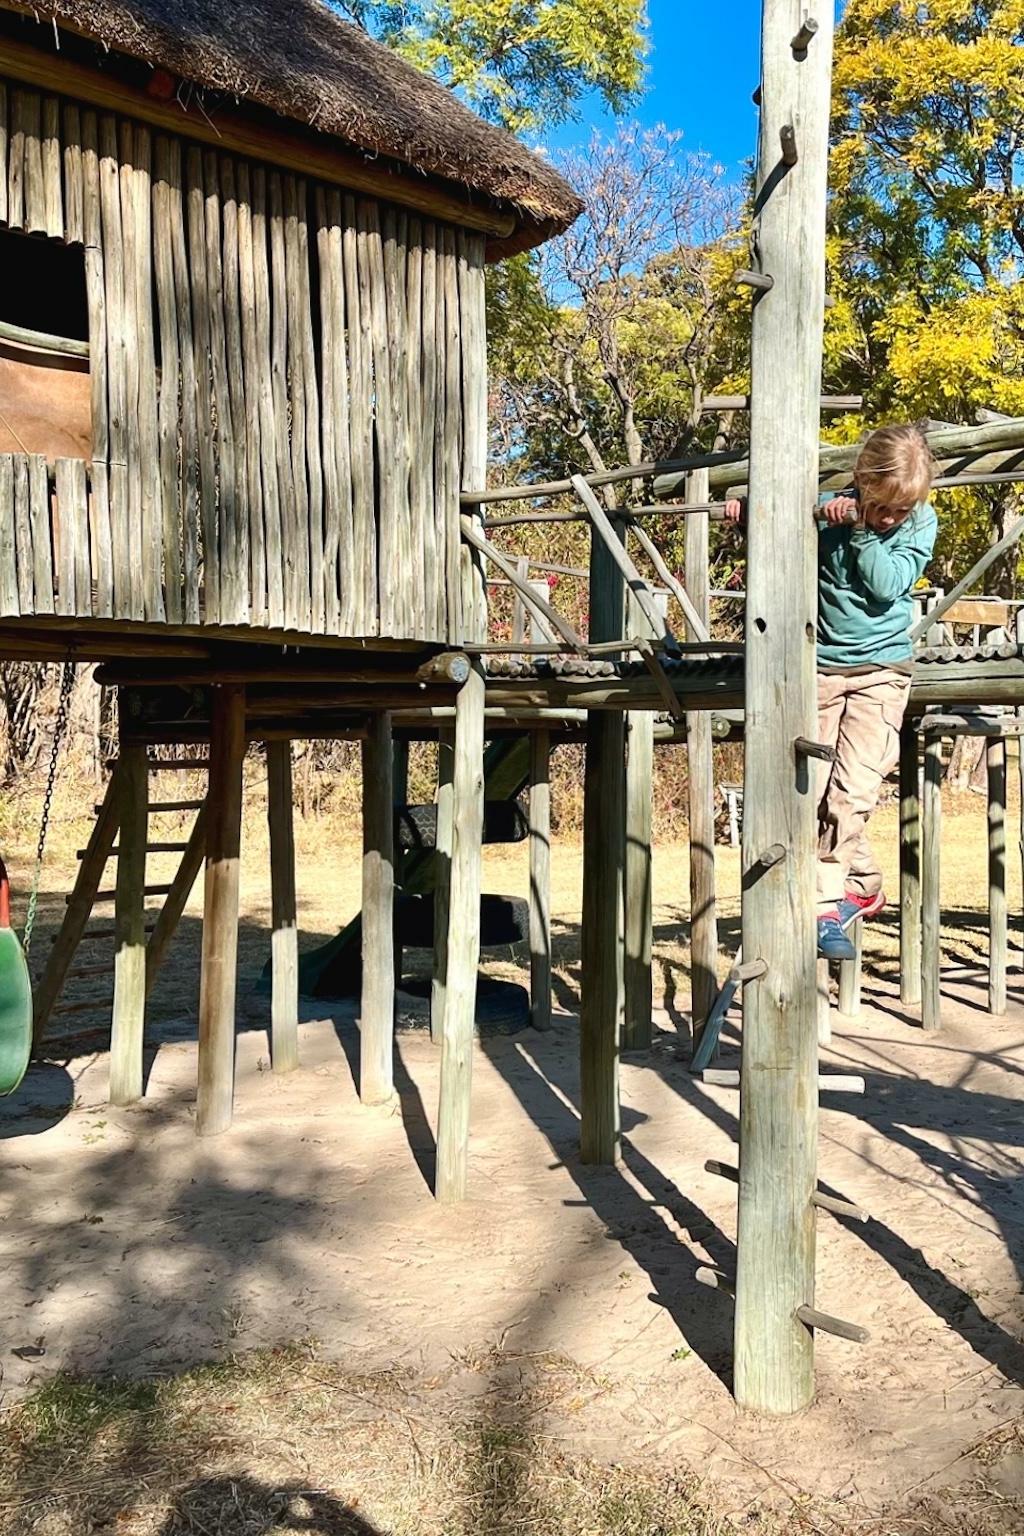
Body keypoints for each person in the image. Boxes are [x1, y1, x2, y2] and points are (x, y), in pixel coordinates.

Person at [725, 424, 938, 961]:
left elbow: (886, 584)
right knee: (811, 791)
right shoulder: (827, 509)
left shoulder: (921, 523)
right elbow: (774, 516)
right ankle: (861, 884)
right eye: (880, 506)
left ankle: (823, 906)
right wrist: (744, 510)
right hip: (819, 669)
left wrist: (865, 532)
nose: (890, 518)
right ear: (861, 483)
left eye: (899, 511)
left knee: (853, 789)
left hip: (881, 672)